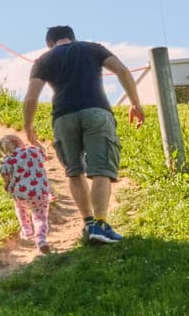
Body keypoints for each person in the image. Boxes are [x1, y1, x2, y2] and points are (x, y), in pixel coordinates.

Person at [22, 25, 144, 245]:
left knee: (74, 171)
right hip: (96, 112)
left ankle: (88, 223)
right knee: (101, 170)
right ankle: (100, 224)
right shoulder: (92, 48)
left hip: (63, 118)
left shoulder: (43, 59)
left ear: (49, 43)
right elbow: (123, 71)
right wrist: (135, 103)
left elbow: (31, 97)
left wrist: (28, 126)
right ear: (72, 38)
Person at [0, 133, 54, 252]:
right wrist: (35, 141)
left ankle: (26, 230)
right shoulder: (33, 150)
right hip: (40, 192)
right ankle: (41, 240)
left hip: (20, 194)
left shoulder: (7, 160)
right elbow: (44, 154)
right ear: (20, 142)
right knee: (40, 217)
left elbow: (5, 177)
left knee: (21, 209)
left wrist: (7, 185)